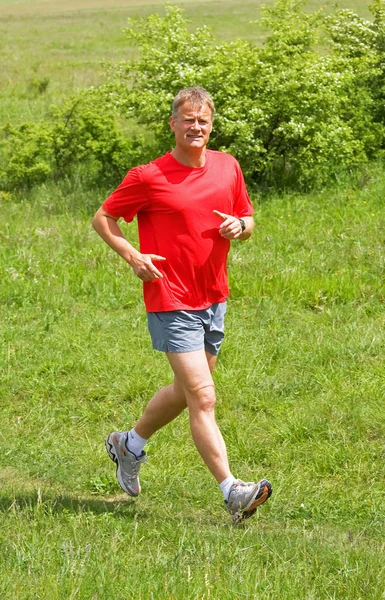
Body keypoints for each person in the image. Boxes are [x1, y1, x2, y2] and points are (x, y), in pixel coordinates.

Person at [92, 86, 271, 522]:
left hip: (214, 296)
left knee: (186, 390)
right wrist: (132, 255)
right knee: (203, 397)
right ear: (173, 124)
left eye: (203, 121)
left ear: (211, 126)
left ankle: (128, 444)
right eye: (188, 119)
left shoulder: (228, 167)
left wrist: (240, 225)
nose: (196, 127)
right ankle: (233, 491)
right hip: (170, 296)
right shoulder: (148, 175)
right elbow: (103, 217)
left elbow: (248, 221)